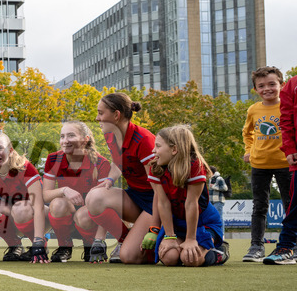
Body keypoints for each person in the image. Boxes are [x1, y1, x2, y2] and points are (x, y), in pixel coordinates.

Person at [84, 93, 157, 264]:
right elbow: (119, 161)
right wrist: (109, 180)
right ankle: (125, 238)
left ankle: (163, 242)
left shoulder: (144, 140)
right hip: (135, 196)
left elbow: (159, 188)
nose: (97, 118)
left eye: (101, 113)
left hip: (155, 202)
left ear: (116, 115)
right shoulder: (110, 135)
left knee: (129, 257)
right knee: (94, 198)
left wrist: (154, 228)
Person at [147, 125, 227, 267]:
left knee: (190, 259)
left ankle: (219, 252)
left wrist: (190, 239)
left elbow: (191, 204)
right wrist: (170, 236)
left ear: (174, 149)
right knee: (169, 258)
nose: (153, 151)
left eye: (158, 146)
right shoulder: (155, 167)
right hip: (177, 223)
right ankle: (183, 243)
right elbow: (163, 203)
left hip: (203, 222)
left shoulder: (195, 165)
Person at [42, 122, 112, 262]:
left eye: (71, 135)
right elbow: (45, 195)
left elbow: (106, 205)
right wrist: (64, 190)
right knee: (57, 204)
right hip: (67, 215)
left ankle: (90, 244)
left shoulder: (101, 163)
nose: (65, 140)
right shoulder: (53, 159)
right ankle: (64, 246)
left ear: (85, 139)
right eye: (62, 136)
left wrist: (100, 240)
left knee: (83, 215)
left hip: (89, 219)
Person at [242, 66, 290, 261]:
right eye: (261, 86)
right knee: (259, 206)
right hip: (260, 164)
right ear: (255, 89)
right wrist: (248, 150)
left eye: (272, 84)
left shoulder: (287, 106)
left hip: (285, 163)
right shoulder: (253, 110)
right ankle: (256, 247)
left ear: (281, 85)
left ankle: (290, 245)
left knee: (290, 206)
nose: (267, 89)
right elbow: (247, 133)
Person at [0, 131, 48, 263]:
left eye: (0, 148)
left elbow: (38, 206)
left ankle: (39, 243)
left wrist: (39, 242)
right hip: (15, 213)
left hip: (39, 214)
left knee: (20, 208)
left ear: (10, 150)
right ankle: (15, 245)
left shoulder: (25, 168)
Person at [264, 68, 297, 264]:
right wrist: (290, 148)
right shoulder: (291, 86)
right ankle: (286, 246)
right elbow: (285, 120)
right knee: (295, 205)